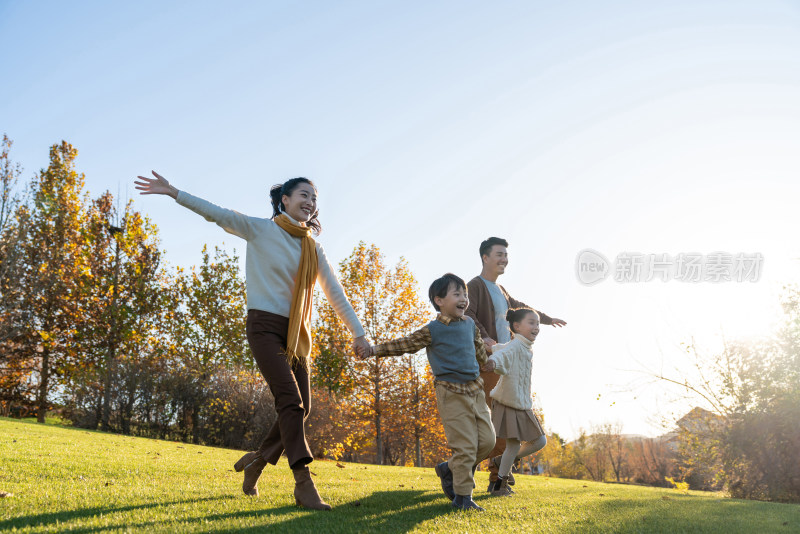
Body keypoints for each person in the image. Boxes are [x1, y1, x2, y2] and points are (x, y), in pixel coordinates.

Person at [134, 171, 370, 511]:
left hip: (296, 334)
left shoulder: (313, 248)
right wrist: (175, 193)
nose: (310, 202)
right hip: (263, 327)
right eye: (304, 195)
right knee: (290, 400)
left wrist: (358, 333)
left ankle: (258, 461)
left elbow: (335, 293)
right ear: (285, 200)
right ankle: (303, 484)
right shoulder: (261, 230)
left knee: (301, 405)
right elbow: (218, 214)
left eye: (314, 199)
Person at [363, 273, 495, 511]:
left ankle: (449, 468)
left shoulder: (470, 325)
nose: (463, 298)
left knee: (487, 441)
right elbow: (403, 345)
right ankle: (463, 499)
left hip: (475, 390)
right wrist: (372, 350)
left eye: (465, 294)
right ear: (439, 301)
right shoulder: (432, 330)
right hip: (450, 393)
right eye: (457, 294)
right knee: (465, 448)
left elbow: (478, 352)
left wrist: (488, 360)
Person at [464, 236, 566, 490]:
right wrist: (485, 336)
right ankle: (494, 476)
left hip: (506, 361)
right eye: (499, 254)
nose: (504, 259)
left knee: (500, 422)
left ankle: (492, 471)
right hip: (491, 360)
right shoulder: (475, 286)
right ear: (485, 257)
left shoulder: (501, 291)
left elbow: (522, 308)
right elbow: (467, 314)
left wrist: (546, 318)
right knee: (499, 421)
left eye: (506, 255)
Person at [481, 307, 547, 496]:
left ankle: (501, 461)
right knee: (515, 445)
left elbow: (500, 349)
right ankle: (498, 485)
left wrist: (492, 348)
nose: (536, 327)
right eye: (532, 322)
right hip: (509, 402)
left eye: (538, 324)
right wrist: (493, 362)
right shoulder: (516, 346)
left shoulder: (524, 346)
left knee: (539, 441)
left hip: (521, 403)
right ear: (517, 326)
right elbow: (503, 355)